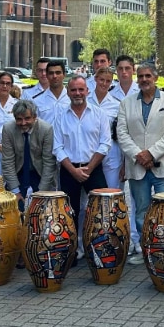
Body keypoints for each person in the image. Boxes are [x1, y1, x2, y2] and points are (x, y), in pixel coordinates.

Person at [117, 62, 164, 263]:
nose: (144, 79)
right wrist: (139, 155)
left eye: (148, 76)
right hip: (137, 166)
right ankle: (146, 251)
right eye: (141, 76)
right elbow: (122, 133)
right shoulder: (126, 103)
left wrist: (151, 154)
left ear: (155, 78)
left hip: (162, 165)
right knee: (142, 210)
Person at [53, 74, 111, 245]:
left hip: (93, 168)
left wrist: (89, 168)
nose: (77, 93)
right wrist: (73, 171)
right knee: (69, 212)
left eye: (80, 89)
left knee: (101, 210)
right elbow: (57, 147)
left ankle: (99, 246)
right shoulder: (61, 116)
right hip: (69, 169)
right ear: (68, 92)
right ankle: (71, 249)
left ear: (87, 91)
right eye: (73, 90)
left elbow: (105, 144)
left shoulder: (99, 114)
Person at [1, 100, 58, 201]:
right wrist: (15, 191)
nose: (23, 123)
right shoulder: (8, 129)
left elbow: (49, 163)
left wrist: (41, 193)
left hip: (40, 173)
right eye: (19, 119)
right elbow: (7, 161)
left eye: (27, 118)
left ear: (35, 117)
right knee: (16, 208)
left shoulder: (46, 129)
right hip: (18, 172)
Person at [31, 59, 70, 127]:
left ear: (64, 75)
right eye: (51, 73)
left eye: (58, 73)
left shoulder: (71, 98)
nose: (55, 76)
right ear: (47, 75)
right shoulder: (37, 101)